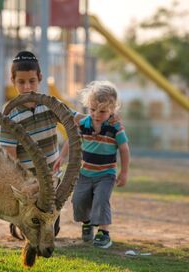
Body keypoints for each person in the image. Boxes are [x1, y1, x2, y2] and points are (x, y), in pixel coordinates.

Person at [54, 80, 130, 248]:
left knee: (101, 200)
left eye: (102, 111)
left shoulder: (115, 127)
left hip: (106, 174)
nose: (96, 114)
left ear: (112, 109)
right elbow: (72, 140)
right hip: (85, 173)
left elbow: (124, 150)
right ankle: (87, 222)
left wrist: (124, 172)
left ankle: (104, 233)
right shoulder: (84, 123)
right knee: (79, 201)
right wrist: (62, 157)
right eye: (92, 109)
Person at [0, 51, 61, 239]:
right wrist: (20, 183)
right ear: (13, 81)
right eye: (21, 82)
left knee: (52, 230)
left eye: (32, 81)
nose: (27, 87)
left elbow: (74, 119)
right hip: (28, 183)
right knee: (32, 223)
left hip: (51, 180)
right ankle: (17, 223)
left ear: (40, 78)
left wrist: (98, 118)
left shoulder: (50, 104)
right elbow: (10, 155)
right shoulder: (10, 113)